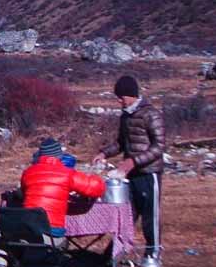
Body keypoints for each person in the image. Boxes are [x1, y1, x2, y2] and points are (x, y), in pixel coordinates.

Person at [94, 75, 165, 259]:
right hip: (130, 176)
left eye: (121, 97)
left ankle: (153, 254)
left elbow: (159, 147)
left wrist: (133, 162)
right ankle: (115, 253)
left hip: (150, 174)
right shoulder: (125, 116)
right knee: (126, 215)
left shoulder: (151, 114)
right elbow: (121, 143)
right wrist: (104, 153)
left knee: (151, 217)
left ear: (131, 95)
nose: (119, 100)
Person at [21, 138, 105, 243]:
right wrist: (98, 178)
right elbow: (95, 188)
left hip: (28, 227)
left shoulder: (28, 172)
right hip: (52, 232)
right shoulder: (67, 174)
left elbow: (23, 193)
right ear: (60, 155)